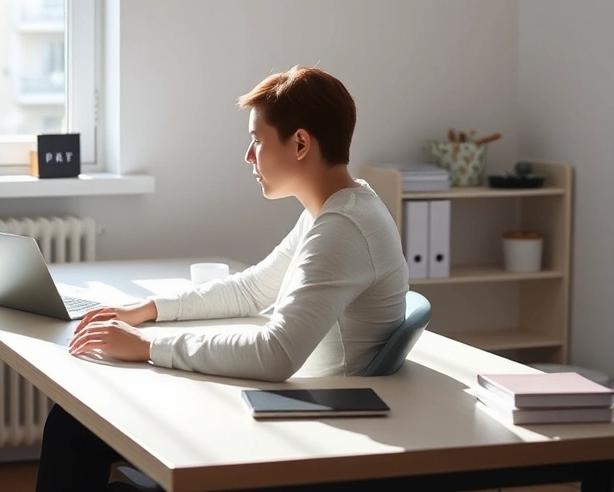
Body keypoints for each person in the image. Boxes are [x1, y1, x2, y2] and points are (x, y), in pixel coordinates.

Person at [35, 65, 409, 492]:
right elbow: (252, 288)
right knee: (80, 418)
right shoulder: (334, 211)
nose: (248, 156)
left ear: (301, 143)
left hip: (308, 426)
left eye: (257, 140)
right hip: (290, 403)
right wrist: (150, 309)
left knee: (75, 426)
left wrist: (147, 346)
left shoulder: (344, 227)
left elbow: (275, 353)